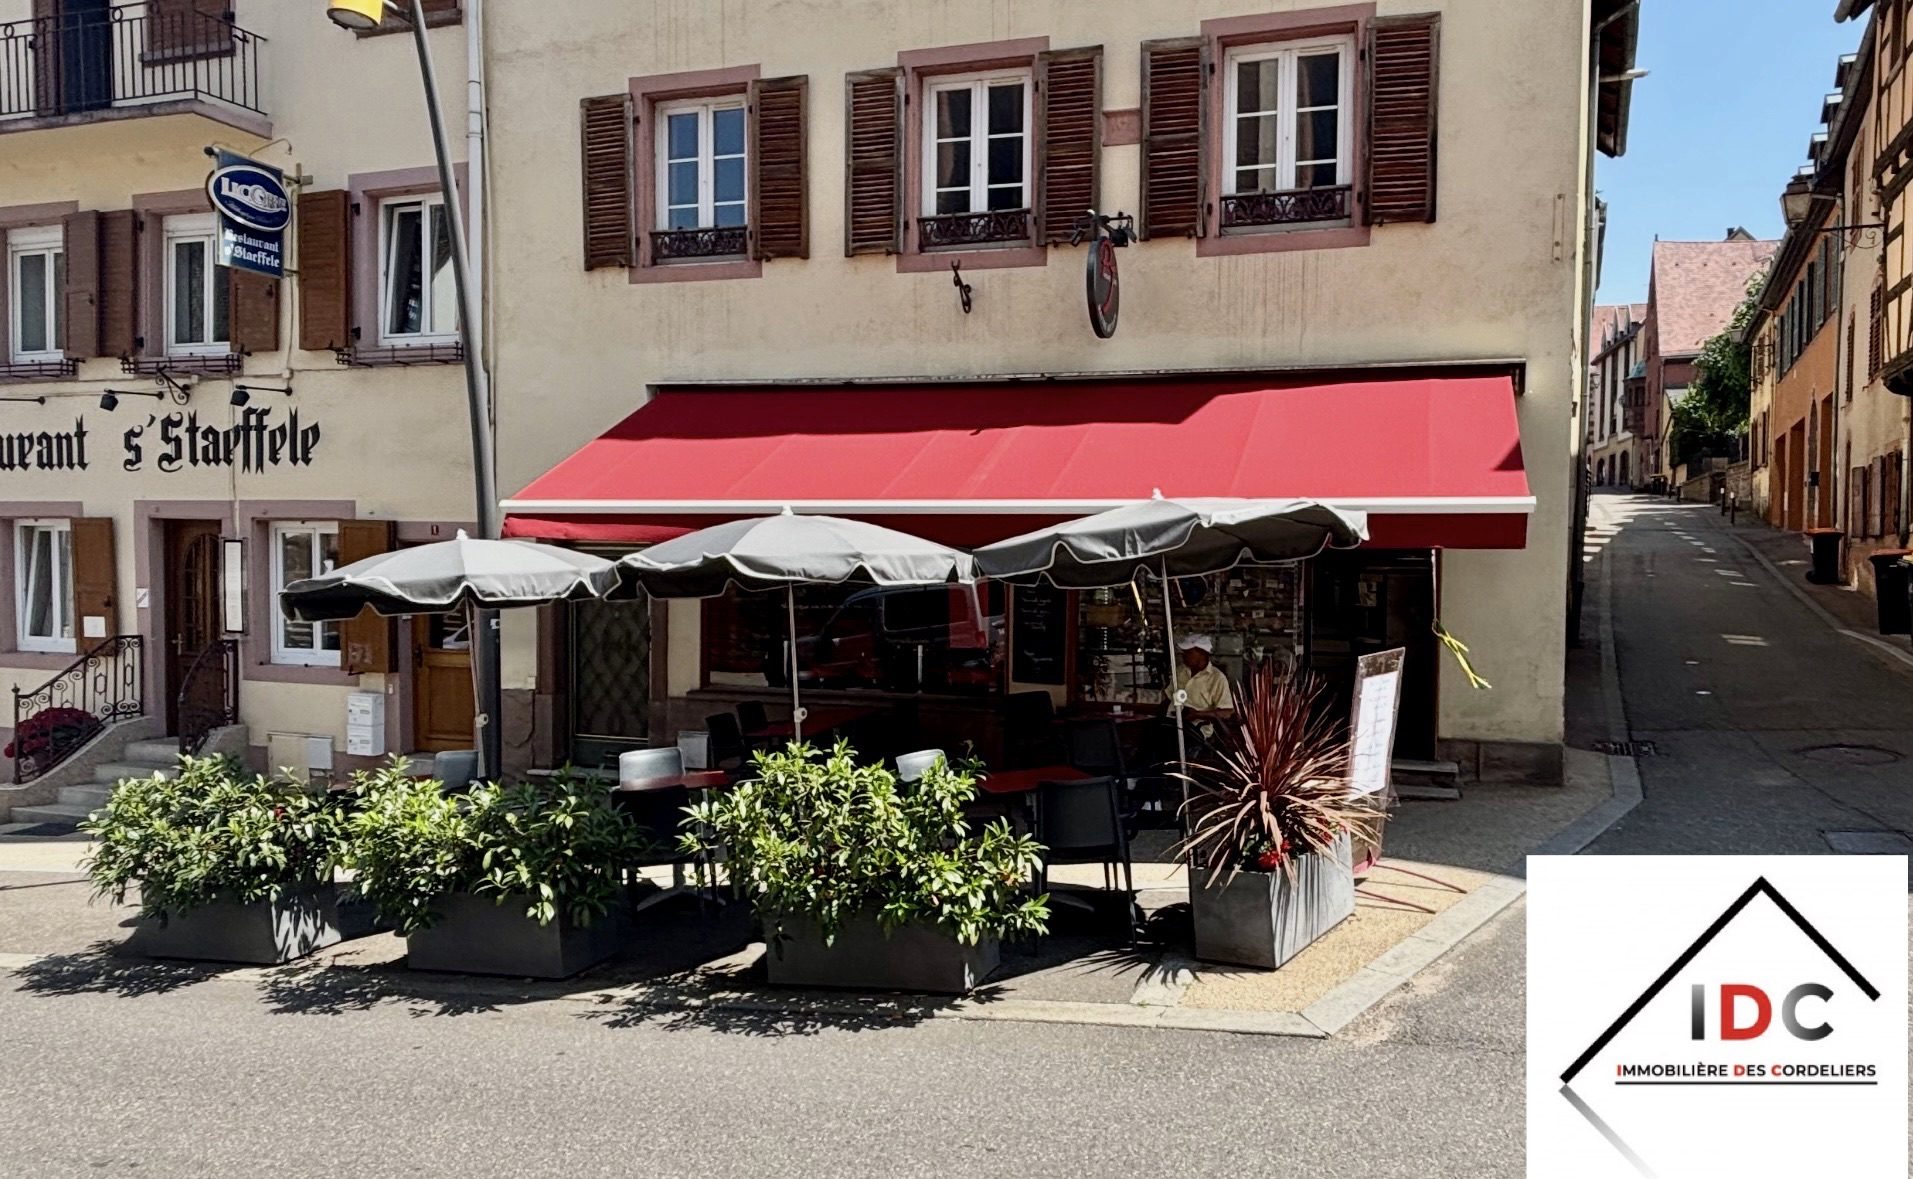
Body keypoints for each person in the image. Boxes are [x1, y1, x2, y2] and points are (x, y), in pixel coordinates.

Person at [1163, 634, 1234, 725]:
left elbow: (1226, 713)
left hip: (1197, 728)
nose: (1184, 656)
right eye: (1184, 652)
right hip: (1171, 723)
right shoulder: (1180, 670)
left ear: (1202, 653)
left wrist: (1197, 714)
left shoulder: (1217, 678)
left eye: (1188, 652)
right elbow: (1168, 697)